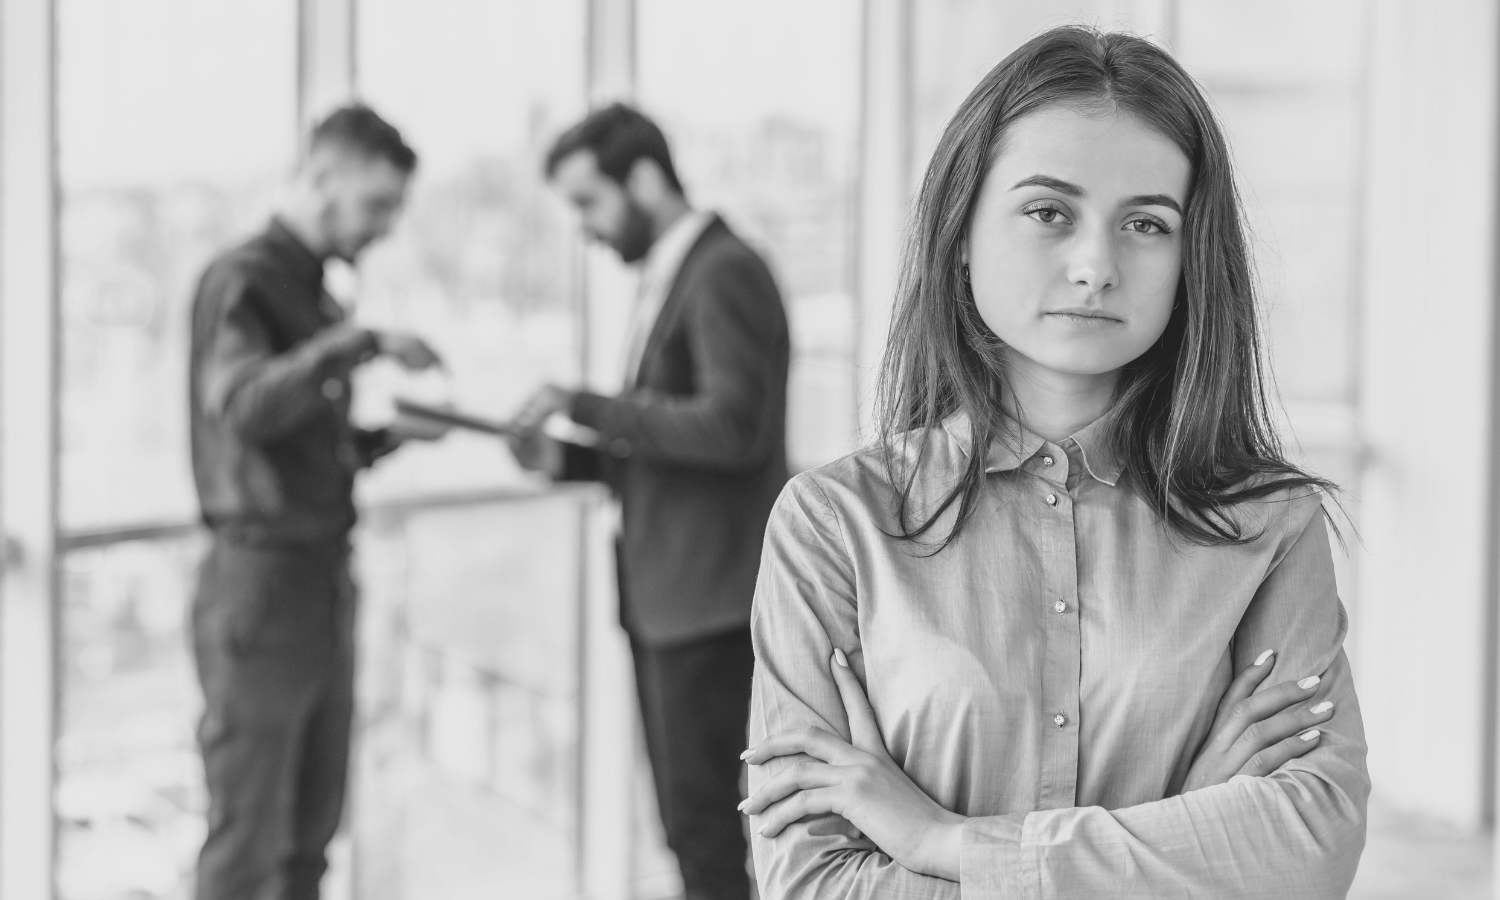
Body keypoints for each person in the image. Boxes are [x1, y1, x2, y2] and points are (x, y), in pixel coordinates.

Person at [739, 26, 1368, 899]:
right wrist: (1188, 823)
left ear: (1192, 261)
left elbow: (1309, 850)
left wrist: (943, 840)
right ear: (960, 232)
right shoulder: (834, 524)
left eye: (1147, 224)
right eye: (1049, 212)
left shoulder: (1269, 525)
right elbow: (811, 883)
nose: (1096, 266)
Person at [512, 103, 789, 900]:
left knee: (704, 833)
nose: (585, 228)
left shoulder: (723, 269)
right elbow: (666, 451)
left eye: (587, 202)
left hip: (710, 607)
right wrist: (565, 455)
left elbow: (732, 427)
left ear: (641, 177)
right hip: (670, 602)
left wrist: (587, 403)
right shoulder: (673, 277)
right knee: (688, 828)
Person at [187, 104, 444, 900]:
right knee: (245, 845)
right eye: (376, 205)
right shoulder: (246, 281)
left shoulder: (313, 296)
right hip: (261, 586)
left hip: (319, 580)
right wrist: (357, 342)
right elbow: (243, 408)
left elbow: (297, 447)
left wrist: (385, 437)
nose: (383, 228)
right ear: (322, 177)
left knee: (309, 841)